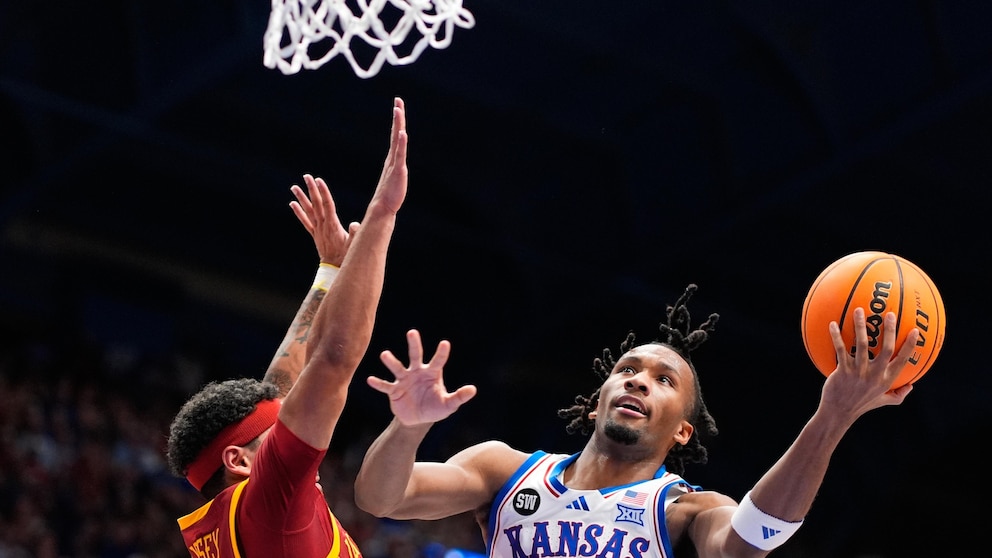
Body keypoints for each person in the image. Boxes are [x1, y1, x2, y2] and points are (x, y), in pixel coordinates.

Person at [353, 283, 921, 557]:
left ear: (682, 431)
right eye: (627, 370)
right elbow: (381, 498)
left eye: (664, 380)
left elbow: (753, 540)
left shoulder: (684, 511)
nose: (638, 380)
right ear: (597, 399)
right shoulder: (503, 470)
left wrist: (833, 416)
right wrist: (409, 427)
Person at [165, 97, 408, 557]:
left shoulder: (243, 515)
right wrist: (382, 214)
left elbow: (283, 387)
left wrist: (331, 270)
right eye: (274, 435)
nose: (290, 427)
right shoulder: (270, 508)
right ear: (238, 460)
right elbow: (332, 361)